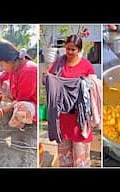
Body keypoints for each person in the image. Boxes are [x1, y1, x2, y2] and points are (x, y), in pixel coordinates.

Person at [44, 34, 98, 167]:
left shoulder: (86, 65)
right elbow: (48, 79)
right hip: (63, 118)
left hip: (79, 119)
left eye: (73, 49)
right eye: (67, 48)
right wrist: (46, 77)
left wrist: (82, 83)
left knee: (80, 159)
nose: (69, 52)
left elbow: (94, 85)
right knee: (64, 158)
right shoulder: (59, 63)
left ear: (79, 50)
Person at [0, 39, 37, 131]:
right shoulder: (14, 66)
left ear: (9, 60)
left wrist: (2, 111)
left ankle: (26, 125)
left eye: (1, 65)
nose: (1, 68)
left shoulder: (29, 71)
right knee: (4, 85)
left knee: (21, 109)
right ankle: (14, 112)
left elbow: (22, 99)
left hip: (31, 103)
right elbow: (0, 78)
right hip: (19, 98)